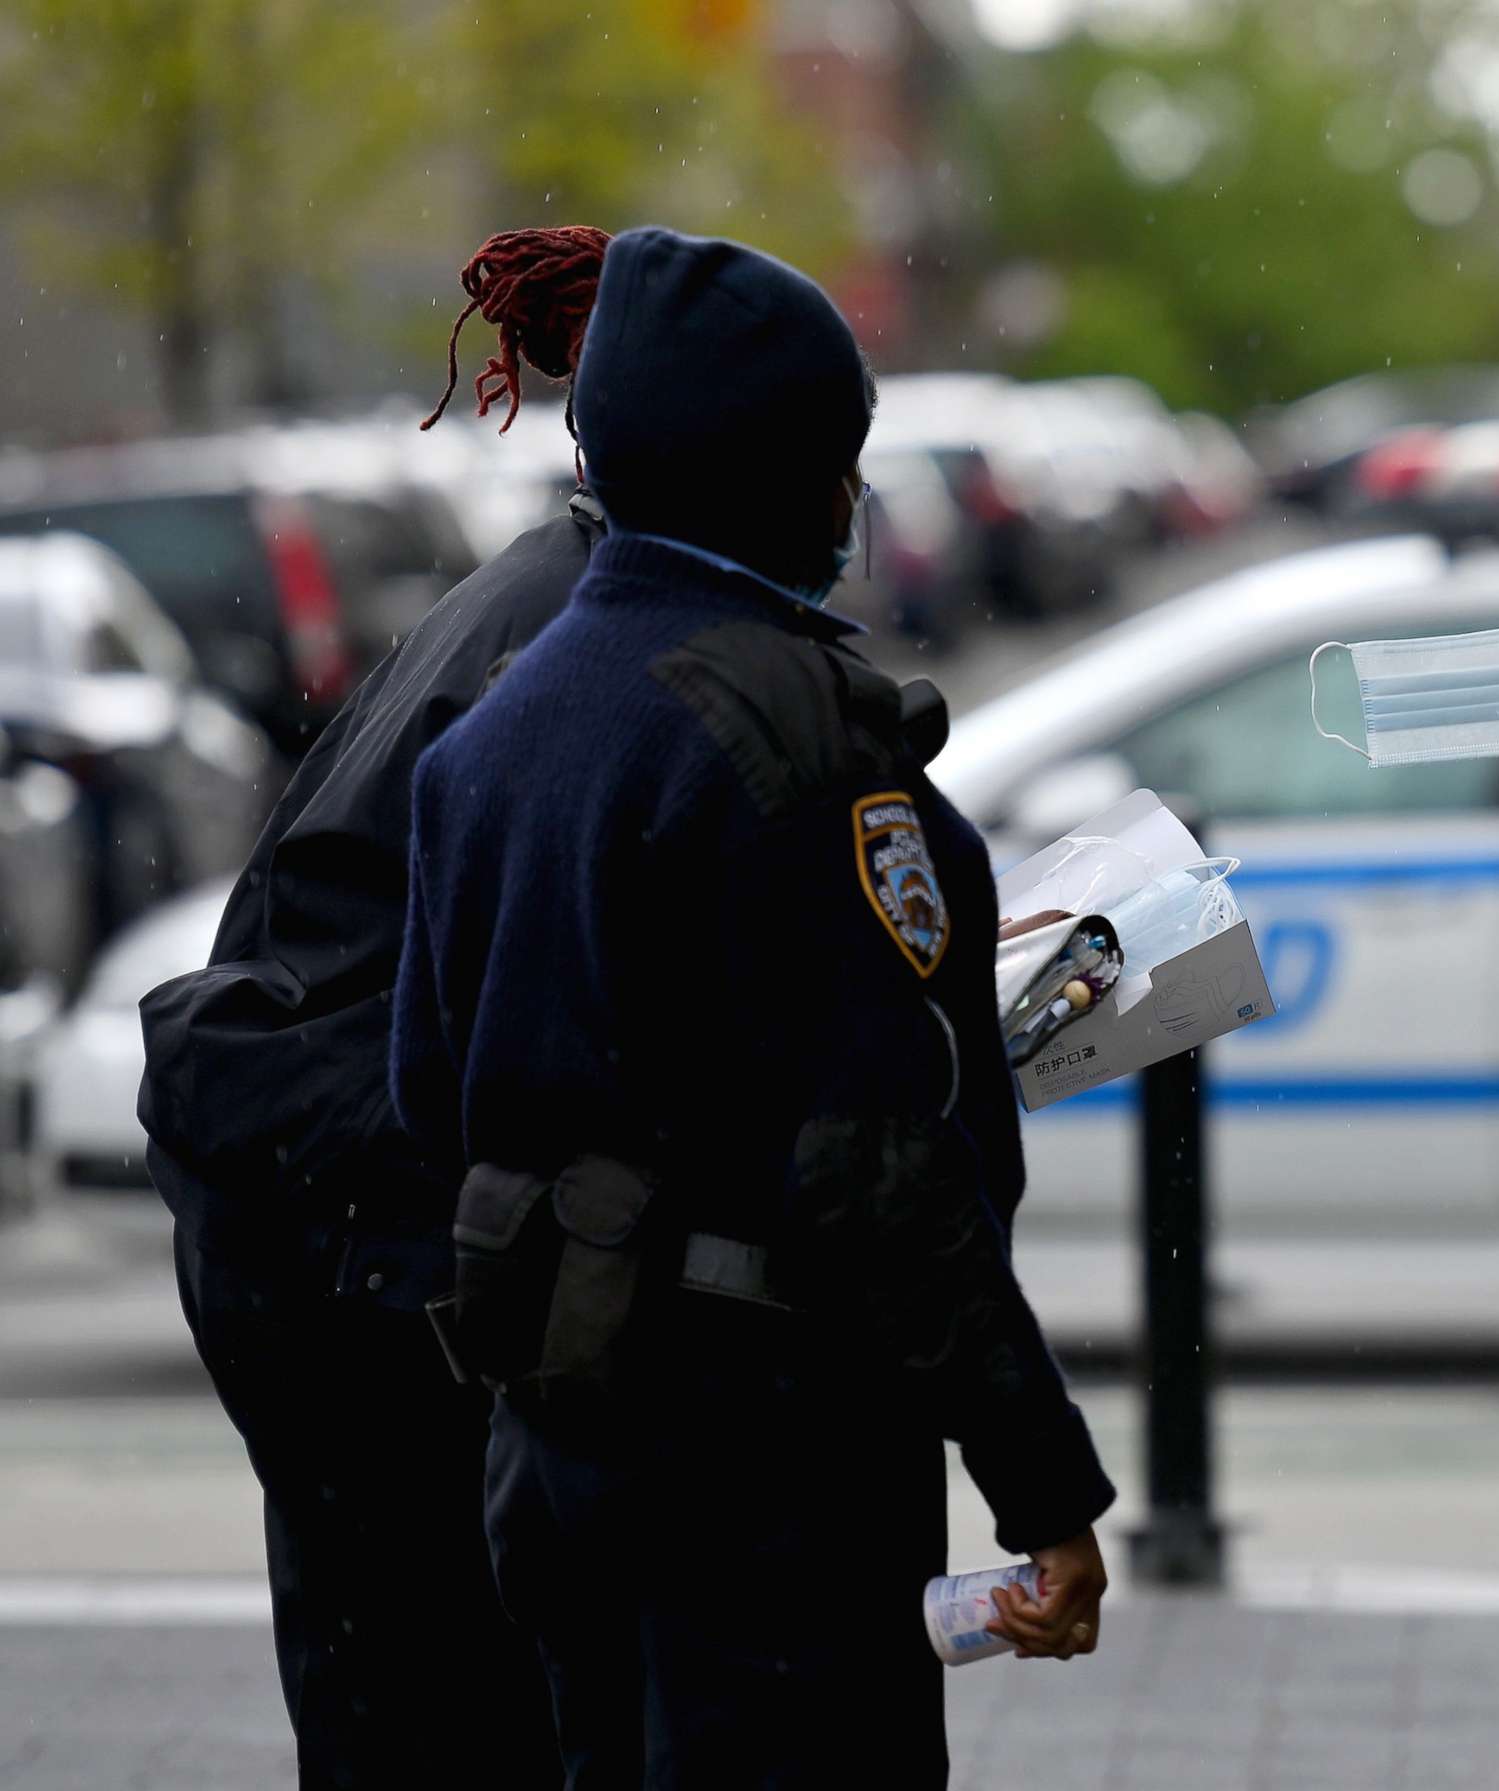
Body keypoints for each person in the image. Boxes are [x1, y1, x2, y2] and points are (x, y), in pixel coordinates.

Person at [388, 226, 1112, 1787]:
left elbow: (430, 1095)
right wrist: (1042, 1485)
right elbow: (887, 1180)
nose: (855, 503)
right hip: (770, 1466)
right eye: (841, 460)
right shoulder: (791, 743)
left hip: (562, 1449)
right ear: (783, 471)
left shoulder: (492, 736)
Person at [137, 222, 619, 1788]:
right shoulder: (589, 646)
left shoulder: (556, 592)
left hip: (312, 1222)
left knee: (408, 1706)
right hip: (361, 1251)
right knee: (453, 1716)